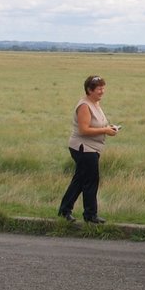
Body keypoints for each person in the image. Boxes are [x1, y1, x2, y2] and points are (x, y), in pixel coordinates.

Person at [58, 75, 119, 224]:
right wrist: (105, 130)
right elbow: (84, 130)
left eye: (103, 88)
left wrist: (108, 128)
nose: (102, 91)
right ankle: (90, 215)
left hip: (91, 148)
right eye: (99, 89)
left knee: (80, 179)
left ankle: (65, 210)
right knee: (91, 180)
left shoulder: (94, 103)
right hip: (83, 148)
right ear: (89, 90)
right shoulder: (84, 106)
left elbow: (96, 125)